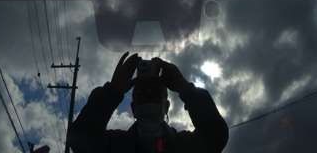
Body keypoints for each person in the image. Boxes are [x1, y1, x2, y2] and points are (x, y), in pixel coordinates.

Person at [69, 52, 229, 153]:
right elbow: (80, 138)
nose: (148, 94)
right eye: (142, 93)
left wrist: (185, 87)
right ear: (133, 108)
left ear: (167, 107)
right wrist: (113, 90)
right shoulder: (115, 145)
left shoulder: (184, 146)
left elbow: (215, 136)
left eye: (154, 92)